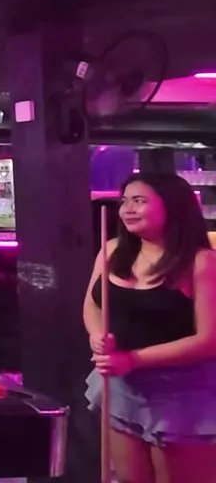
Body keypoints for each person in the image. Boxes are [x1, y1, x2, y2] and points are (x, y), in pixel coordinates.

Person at [85, 172, 216, 483]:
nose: (127, 209)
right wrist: (96, 335)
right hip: (124, 388)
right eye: (125, 201)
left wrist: (134, 359)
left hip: (184, 394)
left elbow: (209, 340)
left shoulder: (202, 263)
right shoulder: (112, 251)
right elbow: (93, 304)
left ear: (172, 206)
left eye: (139, 201)